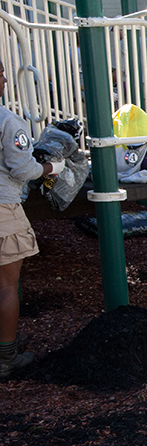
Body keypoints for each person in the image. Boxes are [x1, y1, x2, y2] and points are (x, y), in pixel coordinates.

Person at [0, 60, 65, 376]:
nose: (4, 79)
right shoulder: (8, 121)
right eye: (0, 74)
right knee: (6, 285)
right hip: (2, 207)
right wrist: (54, 168)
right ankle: (6, 357)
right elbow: (23, 170)